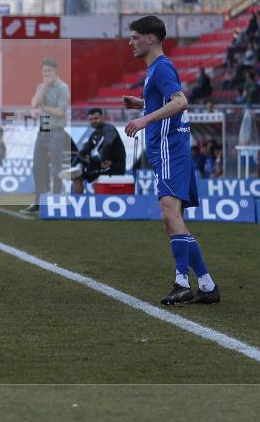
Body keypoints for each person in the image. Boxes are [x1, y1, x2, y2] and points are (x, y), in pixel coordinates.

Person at [122, 15, 219, 306]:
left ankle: (182, 282)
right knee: (172, 220)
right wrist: (142, 103)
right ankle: (206, 285)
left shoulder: (161, 67)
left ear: (150, 38)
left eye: (135, 37)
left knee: (169, 215)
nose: (130, 42)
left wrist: (143, 119)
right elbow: (166, 100)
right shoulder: (157, 68)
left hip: (170, 150)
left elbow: (180, 101)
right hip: (168, 150)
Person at [22, 58, 71, 213]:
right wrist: (44, 88)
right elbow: (33, 104)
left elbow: (60, 112)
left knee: (56, 168)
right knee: (38, 167)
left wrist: (44, 106)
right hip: (42, 132)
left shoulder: (63, 88)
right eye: (44, 71)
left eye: (49, 71)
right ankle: (38, 202)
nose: (46, 74)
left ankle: (56, 201)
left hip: (56, 132)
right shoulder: (40, 87)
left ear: (56, 72)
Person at [59, 108, 126, 194]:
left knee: (80, 174)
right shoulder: (94, 135)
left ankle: (84, 200)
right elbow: (83, 151)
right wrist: (73, 166)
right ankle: (78, 199)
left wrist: (102, 160)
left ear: (102, 117)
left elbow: (108, 143)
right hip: (103, 164)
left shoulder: (109, 129)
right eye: (91, 119)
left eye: (96, 118)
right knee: (77, 173)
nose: (93, 121)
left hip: (114, 166)